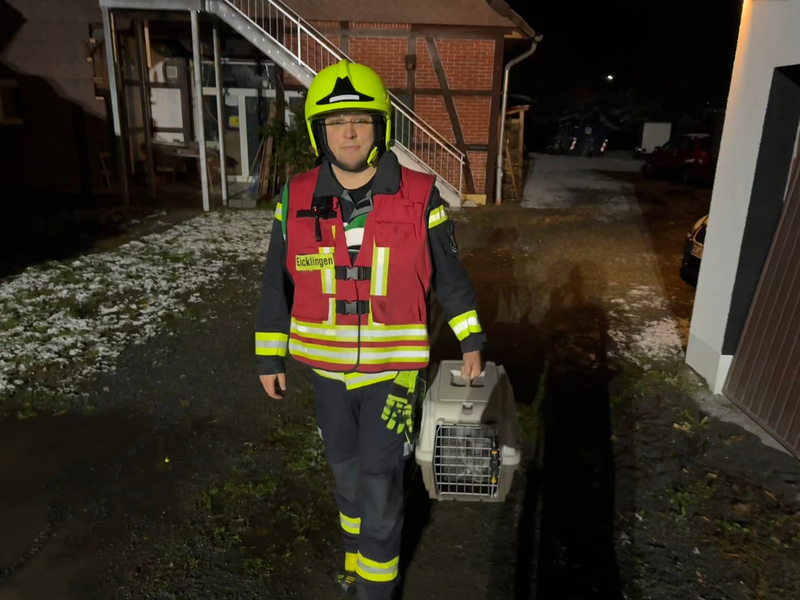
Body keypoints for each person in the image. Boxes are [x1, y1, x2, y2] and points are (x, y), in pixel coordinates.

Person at [254, 59, 485, 600]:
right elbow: (275, 283)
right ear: (319, 132)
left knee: (380, 483)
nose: (350, 132)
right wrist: (269, 355)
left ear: (381, 126)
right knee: (346, 476)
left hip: (393, 376)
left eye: (360, 120)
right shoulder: (295, 196)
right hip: (327, 378)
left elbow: (449, 277)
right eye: (336, 122)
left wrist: (470, 338)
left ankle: (376, 591)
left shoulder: (420, 195)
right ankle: (357, 562)